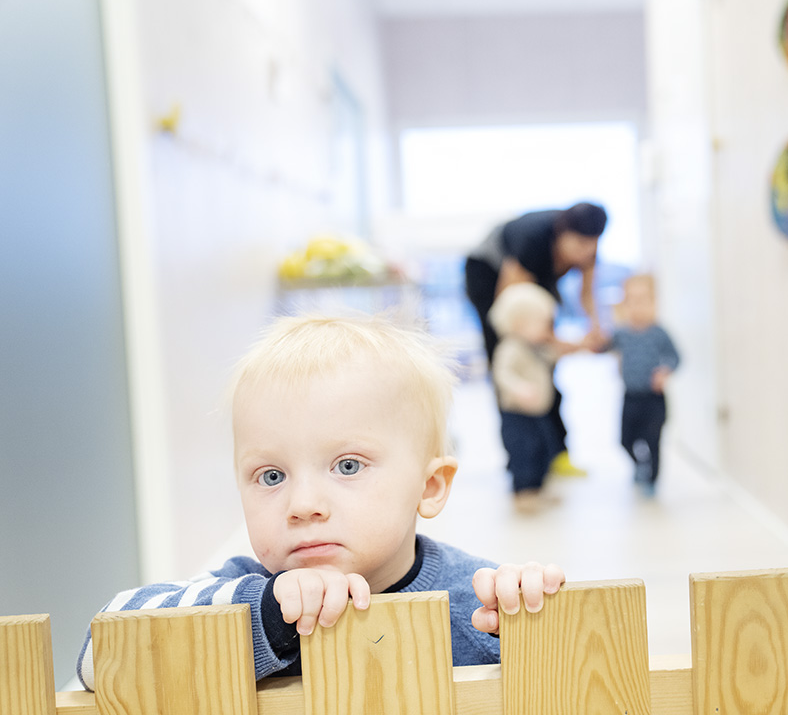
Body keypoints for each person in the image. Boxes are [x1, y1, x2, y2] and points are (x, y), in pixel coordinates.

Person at [76, 314, 565, 689]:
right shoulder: (243, 593)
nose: (303, 504)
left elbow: (583, 683)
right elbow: (100, 655)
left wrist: (534, 627)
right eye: (271, 475)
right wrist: (266, 616)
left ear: (430, 487)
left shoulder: (477, 601)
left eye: (347, 466)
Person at [464, 202, 608, 478]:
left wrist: (595, 329)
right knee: (511, 361)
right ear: (561, 234)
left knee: (545, 367)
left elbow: (587, 295)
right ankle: (519, 456)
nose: (584, 253)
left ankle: (554, 452)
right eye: (578, 244)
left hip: (532, 286)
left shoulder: (589, 246)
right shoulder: (533, 239)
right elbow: (510, 307)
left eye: (591, 245)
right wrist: (542, 340)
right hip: (489, 277)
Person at [488, 283, 564, 514]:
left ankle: (537, 489)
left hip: (537, 412)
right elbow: (502, 374)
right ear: (520, 323)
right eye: (544, 323)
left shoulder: (535, 346)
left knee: (545, 448)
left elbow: (553, 355)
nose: (549, 329)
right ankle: (522, 493)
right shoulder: (510, 348)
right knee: (524, 452)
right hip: (518, 414)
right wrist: (518, 387)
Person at [604, 274, 680, 498]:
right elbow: (603, 346)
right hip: (630, 396)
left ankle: (653, 480)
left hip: (653, 399)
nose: (638, 306)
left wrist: (665, 370)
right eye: (632, 300)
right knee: (625, 440)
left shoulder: (659, 333)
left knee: (653, 440)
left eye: (644, 300)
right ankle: (640, 464)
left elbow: (675, 357)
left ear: (654, 302)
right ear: (624, 305)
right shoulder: (621, 333)